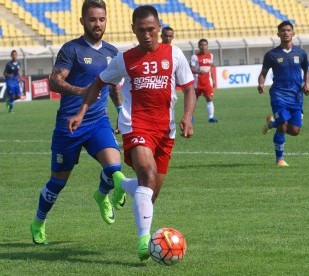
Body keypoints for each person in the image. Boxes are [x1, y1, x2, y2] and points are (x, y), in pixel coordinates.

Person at [68, 5, 196, 261]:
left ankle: (119, 185)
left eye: (151, 29)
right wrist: (81, 112)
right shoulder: (124, 59)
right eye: (141, 30)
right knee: (147, 175)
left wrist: (187, 117)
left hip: (165, 131)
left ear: (159, 28)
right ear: (133, 30)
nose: (147, 35)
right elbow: (98, 84)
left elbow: (190, 89)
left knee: (150, 191)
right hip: (135, 126)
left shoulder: (174, 55)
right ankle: (144, 242)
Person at [30, 0, 125, 245]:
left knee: (115, 169)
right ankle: (39, 221)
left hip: (98, 122)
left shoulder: (112, 53)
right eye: (92, 19)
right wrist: (80, 91)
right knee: (57, 183)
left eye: (101, 19)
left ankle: (102, 195)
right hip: (68, 126)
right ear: (82, 21)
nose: (97, 24)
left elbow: (114, 86)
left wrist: (122, 112)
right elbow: (54, 81)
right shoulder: (71, 49)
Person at [258, 21, 309, 167]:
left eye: (288, 30)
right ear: (278, 34)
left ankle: (271, 123)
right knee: (283, 126)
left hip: (296, 96)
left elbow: (306, 70)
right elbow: (263, 73)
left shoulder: (301, 53)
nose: (286, 33)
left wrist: (307, 84)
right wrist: (261, 83)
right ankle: (279, 159)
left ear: (293, 33)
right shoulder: (272, 54)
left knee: (295, 131)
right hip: (278, 95)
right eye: (283, 31)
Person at [190, 38, 217, 123]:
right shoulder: (195, 56)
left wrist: (213, 79)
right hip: (197, 82)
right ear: (198, 46)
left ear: (207, 46)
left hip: (207, 82)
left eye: (205, 45)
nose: (203, 46)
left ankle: (211, 117)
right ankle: (190, 117)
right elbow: (191, 68)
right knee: (193, 100)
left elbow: (211, 67)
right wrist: (198, 71)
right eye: (201, 45)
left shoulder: (210, 56)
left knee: (209, 98)